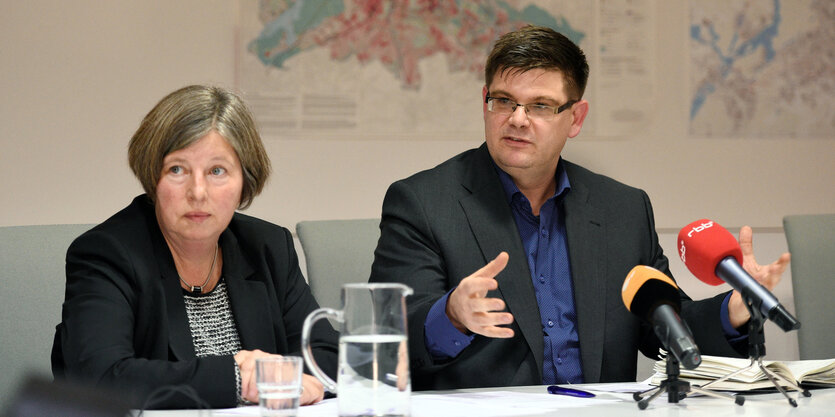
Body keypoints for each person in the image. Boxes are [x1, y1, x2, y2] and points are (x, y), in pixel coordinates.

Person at [368, 25, 790, 390]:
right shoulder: (423, 203)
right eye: (503, 100)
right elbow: (389, 340)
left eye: (540, 106)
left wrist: (734, 310)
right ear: (485, 101)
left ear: (576, 118)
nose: (517, 118)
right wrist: (453, 316)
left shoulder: (622, 209)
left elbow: (662, 327)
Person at [52, 85, 338, 408]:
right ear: (153, 178)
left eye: (217, 171)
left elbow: (328, 357)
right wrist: (236, 377)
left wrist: (295, 381)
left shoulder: (269, 248)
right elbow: (100, 377)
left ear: (245, 179)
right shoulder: (106, 254)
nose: (198, 191)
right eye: (177, 169)